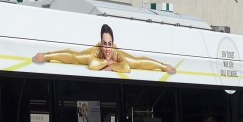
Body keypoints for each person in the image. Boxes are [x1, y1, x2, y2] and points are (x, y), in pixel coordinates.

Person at [33, 24, 175, 75]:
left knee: (137, 62)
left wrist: (112, 66)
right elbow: (92, 64)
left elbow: (127, 67)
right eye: (105, 43)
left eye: (110, 43)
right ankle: (46, 55)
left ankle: (163, 66)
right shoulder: (97, 50)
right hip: (100, 59)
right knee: (76, 58)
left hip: (114, 60)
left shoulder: (115, 51)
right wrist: (108, 63)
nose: (107, 47)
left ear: (113, 43)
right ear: (101, 43)